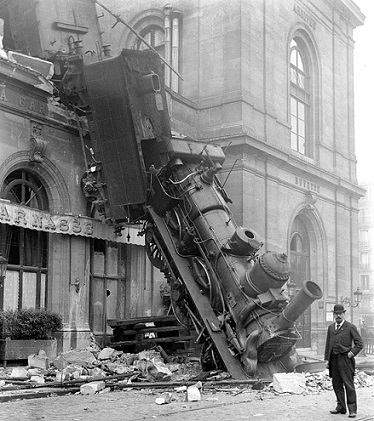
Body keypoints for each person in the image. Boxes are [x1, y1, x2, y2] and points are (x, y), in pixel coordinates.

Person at [324, 303, 363, 418]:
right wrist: (327, 359)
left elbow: (359, 344)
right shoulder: (331, 328)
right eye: (336, 314)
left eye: (340, 313)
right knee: (336, 384)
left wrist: (351, 353)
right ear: (334, 315)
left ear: (344, 314)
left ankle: (352, 409)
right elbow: (328, 345)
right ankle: (341, 407)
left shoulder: (350, 327)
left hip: (345, 360)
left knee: (348, 385)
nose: (338, 316)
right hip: (333, 360)